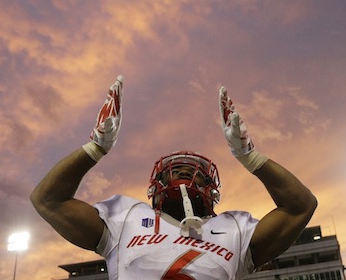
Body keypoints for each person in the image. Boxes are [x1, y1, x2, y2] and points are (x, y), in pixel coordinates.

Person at [30, 75, 317, 280]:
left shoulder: (235, 230)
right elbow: (47, 200)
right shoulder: (126, 218)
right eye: (174, 171)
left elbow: (300, 206)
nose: (183, 174)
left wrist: (250, 156)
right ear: (156, 185)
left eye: (195, 173)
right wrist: (95, 147)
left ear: (212, 188)